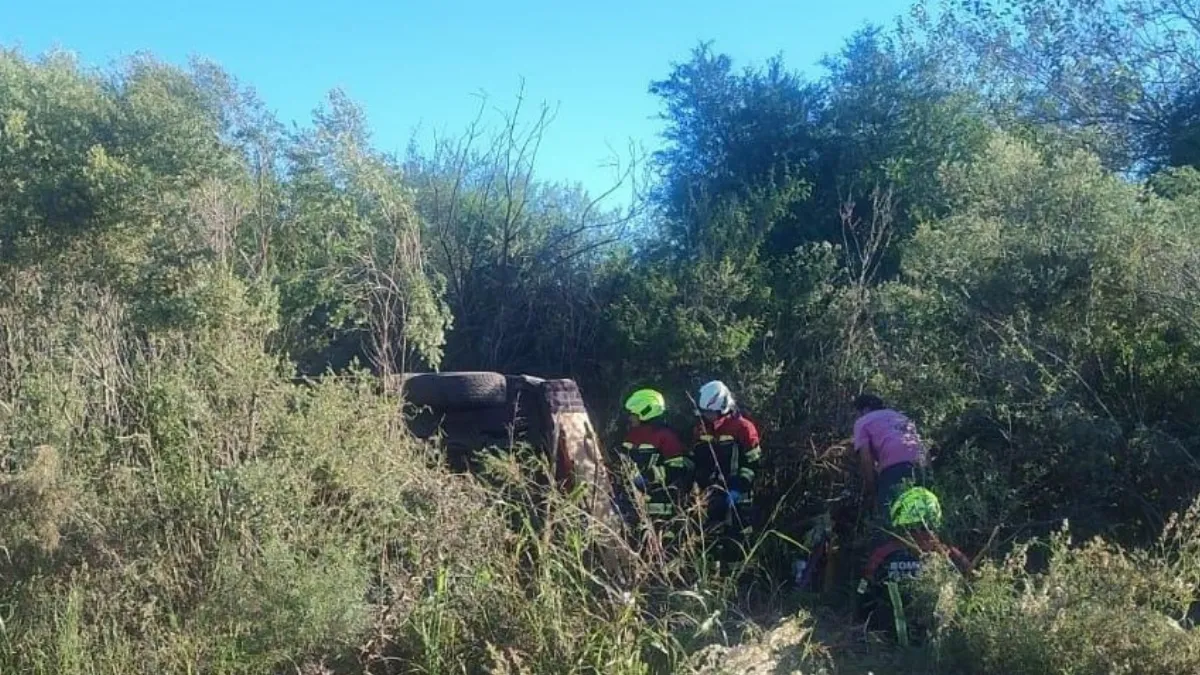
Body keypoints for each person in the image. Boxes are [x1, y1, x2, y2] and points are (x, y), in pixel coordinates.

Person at [855, 486, 971, 645]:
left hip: (889, 643)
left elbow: (862, 594)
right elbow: (971, 583)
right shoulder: (949, 555)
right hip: (937, 646)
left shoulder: (882, 555)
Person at [692, 380, 762, 560]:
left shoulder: (743, 428)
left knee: (737, 543)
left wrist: (739, 486)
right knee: (710, 542)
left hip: (737, 495)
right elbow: (698, 460)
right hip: (710, 494)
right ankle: (712, 574)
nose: (708, 416)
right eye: (705, 412)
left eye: (711, 412)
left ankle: (740, 575)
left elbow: (754, 462)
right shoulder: (701, 429)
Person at [618, 389, 694, 539]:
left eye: (633, 414)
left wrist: (648, 477)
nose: (630, 417)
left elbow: (677, 469)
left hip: (662, 502)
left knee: (665, 540)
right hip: (634, 500)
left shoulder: (666, 436)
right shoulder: (632, 434)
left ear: (645, 412)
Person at [852, 394, 928, 521]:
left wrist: (871, 487)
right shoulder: (901, 417)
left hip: (893, 467)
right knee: (921, 512)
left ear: (864, 409)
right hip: (920, 464)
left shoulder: (862, 422)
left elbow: (866, 459)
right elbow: (920, 443)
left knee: (888, 515)